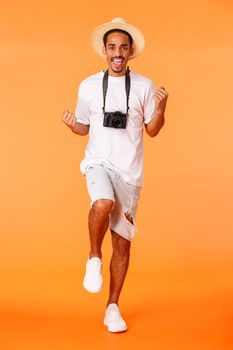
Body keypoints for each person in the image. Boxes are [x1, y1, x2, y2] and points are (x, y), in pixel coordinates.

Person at [62, 17, 168, 333]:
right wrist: (72, 124)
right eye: (112, 47)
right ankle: (94, 257)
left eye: (123, 47)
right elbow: (84, 126)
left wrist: (162, 110)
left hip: (131, 174)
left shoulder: (144, 86)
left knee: (122, 245)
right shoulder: (89, 85)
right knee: (102, 202)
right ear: (105, 51)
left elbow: (153, 130)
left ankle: (112, 307)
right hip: (98, 164)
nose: (117, 52)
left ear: (130, 51)